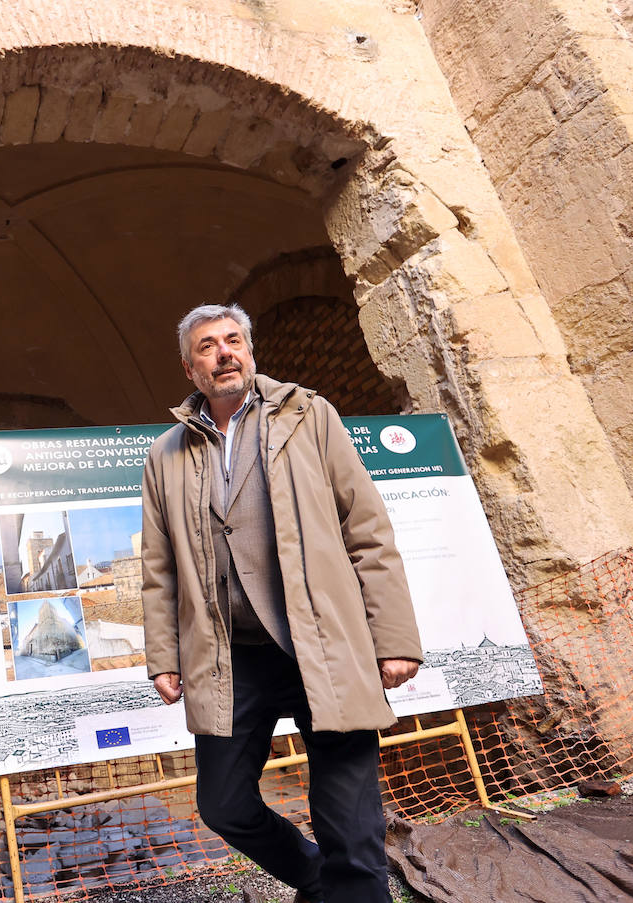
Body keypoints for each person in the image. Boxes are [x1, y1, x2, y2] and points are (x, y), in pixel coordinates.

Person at [140, 303, 423, 903]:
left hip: (319, 641)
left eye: (233, 340)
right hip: (231, 655)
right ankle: (316, 876)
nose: (224, 353)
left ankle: (351, 886)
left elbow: (367, 529)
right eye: (208, 346)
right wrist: (164, 655)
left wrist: (394, 637)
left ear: (249, 348)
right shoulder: (164, 453)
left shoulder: (309, 416)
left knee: (348, 821)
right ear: (190, 368)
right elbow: (158, 565)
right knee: (223, 804)